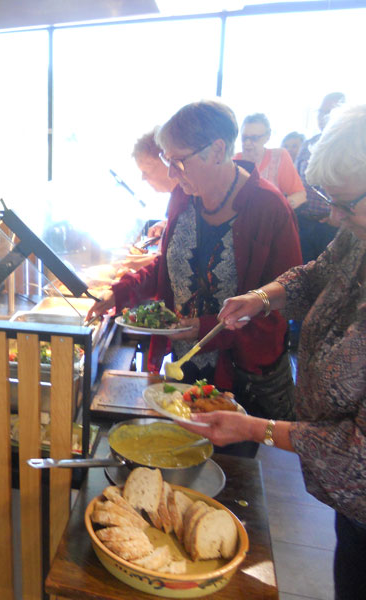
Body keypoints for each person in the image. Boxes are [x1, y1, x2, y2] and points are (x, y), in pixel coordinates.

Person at [181, 103, 366, 600]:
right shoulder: (358, 239)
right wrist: (262, 297)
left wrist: (253, 428)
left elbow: (358, 452)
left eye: (346, 204)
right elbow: (315, 274)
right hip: (353, 509)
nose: (333, 216)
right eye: (330, 201)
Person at [88, 100, 301, 424]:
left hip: (247, 380)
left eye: (178, 161)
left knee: (236, 456)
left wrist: (206, 327)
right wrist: (120, 292)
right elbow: (170, 266)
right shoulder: (183, 195)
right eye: (167, 161)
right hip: (186, 364)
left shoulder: (268, 207)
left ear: (217, 150)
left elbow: (287, 301)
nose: (171, 173)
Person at [294, 92, 345, 263]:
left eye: (328, 112)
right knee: (301, 268)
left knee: (327, 270)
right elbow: (296, 182)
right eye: (321, 112)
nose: (323, 117)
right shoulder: (308, 144)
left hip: (331, 224)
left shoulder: (348, 148)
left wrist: (336, 218)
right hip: (303, 220)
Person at [123, 127, 180, 270]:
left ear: (166, 160)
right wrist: (166, 224)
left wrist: (132, 263)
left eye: (146, 170)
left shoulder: (189, 198)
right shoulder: (177, 199)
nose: (143, 178)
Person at [234, 113, 306, 209]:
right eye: (244, 138)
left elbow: (300, 195)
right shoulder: (234, 161)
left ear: (267, 137)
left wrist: (281, 208)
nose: (247, 143)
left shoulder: (279, 157)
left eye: (254, 138)